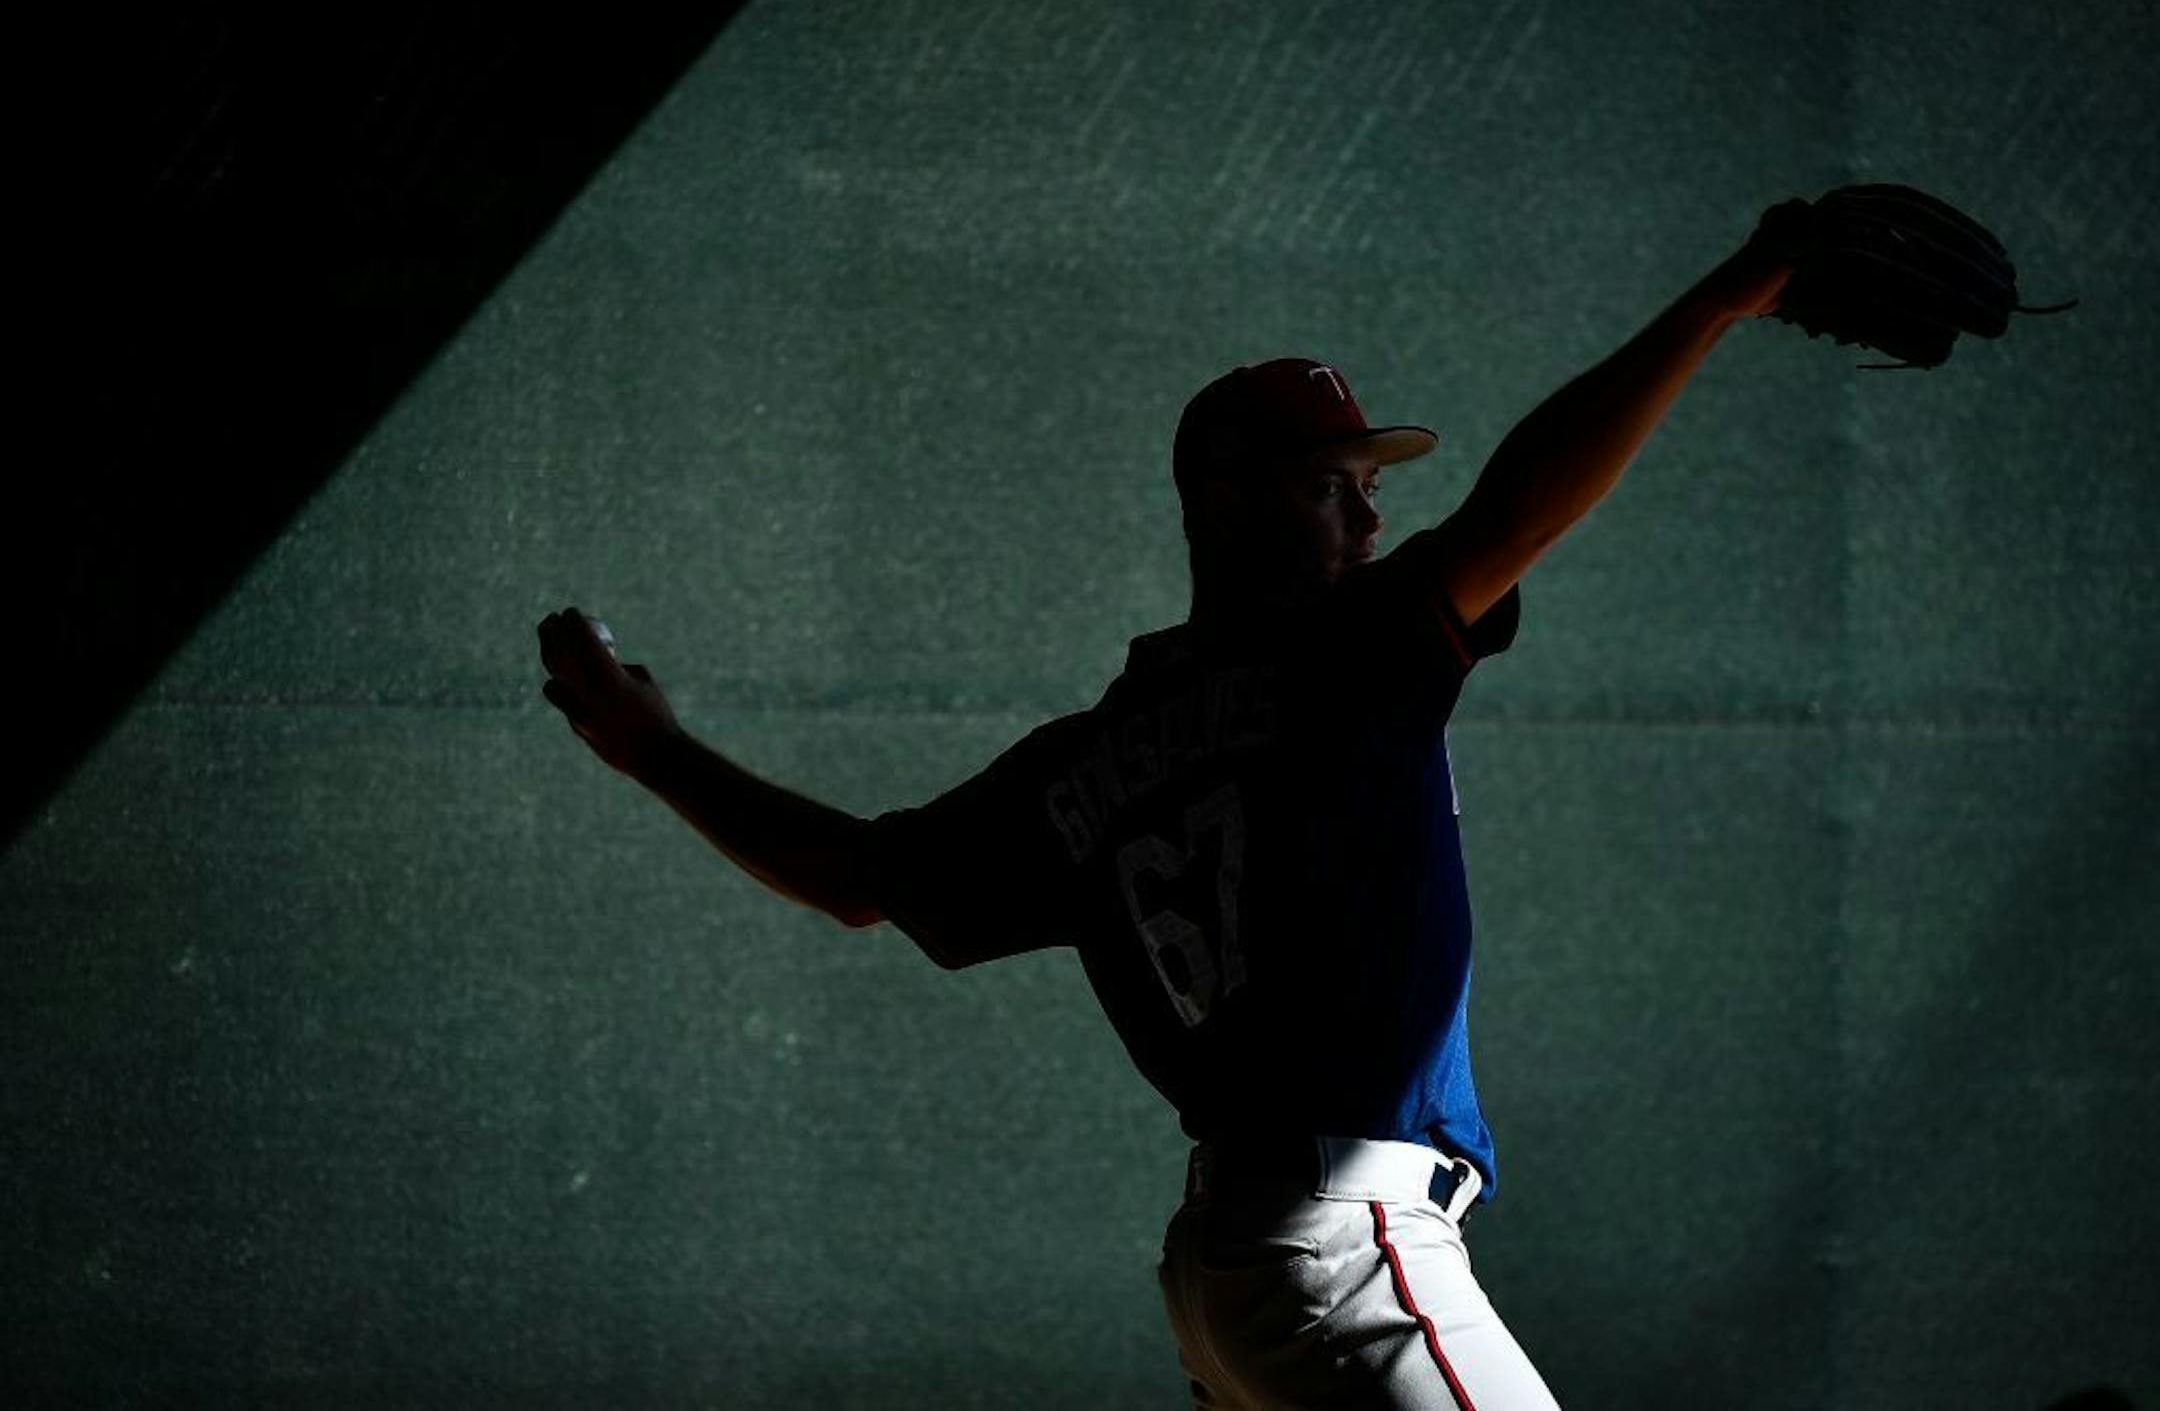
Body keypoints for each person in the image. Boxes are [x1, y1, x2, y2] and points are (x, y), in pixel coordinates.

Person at [537, 218, 1796, 1408]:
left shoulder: (1087, 760)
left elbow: (859, 874)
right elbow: (1527, 503)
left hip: (1226, 1277)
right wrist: (1726, 294)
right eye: (1329, 485)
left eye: (1368, 484)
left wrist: (656, 750)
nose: (1370, 515)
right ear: (1225, 502)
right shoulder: (1341, 657)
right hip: (1343, 1250)